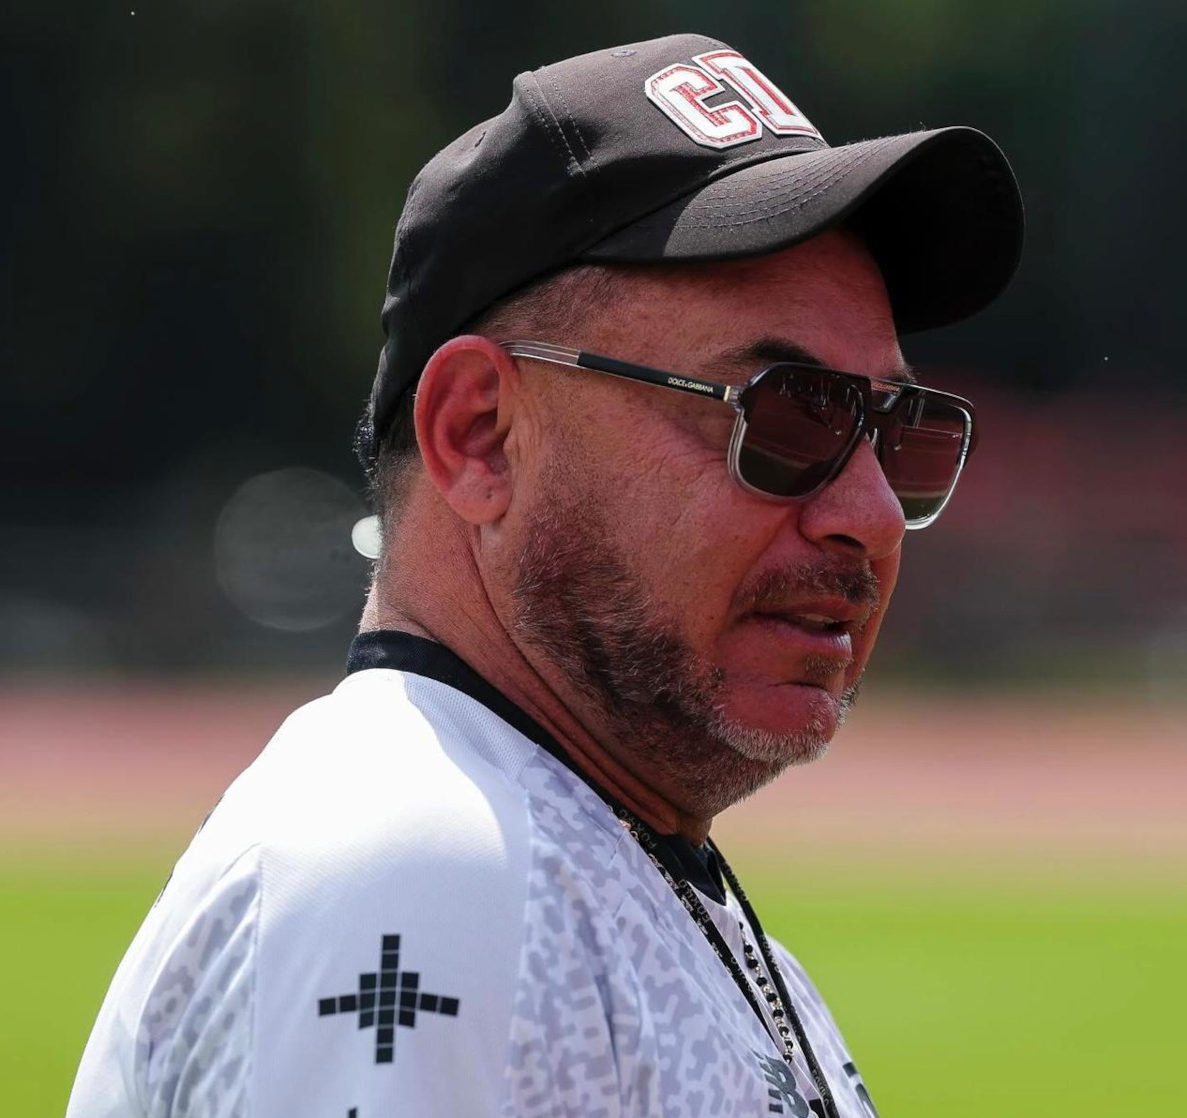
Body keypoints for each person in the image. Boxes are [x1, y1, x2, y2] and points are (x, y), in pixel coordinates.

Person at [68, 32, 1022, 1118]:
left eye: (903, 430)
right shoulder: (427, 875)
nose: (873, 514)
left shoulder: (565, 864)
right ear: (480, 436)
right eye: (787, 414)